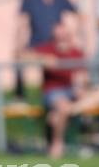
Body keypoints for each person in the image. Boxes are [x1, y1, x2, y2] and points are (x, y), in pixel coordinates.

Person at [22, 22, 87, 158]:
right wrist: (41, 59)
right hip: (53, 92)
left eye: (65, 36)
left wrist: (80, 87)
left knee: (98, 95)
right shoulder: (48, 50)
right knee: (63, 107)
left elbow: (82, 76)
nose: (62, 40)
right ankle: (57, 143)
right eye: (59, 37)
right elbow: (21, 55)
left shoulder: (76, 52)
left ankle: (55, 118)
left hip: (72, 91)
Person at [15, 0, 79, 99]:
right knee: (20, 57)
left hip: (55, 44)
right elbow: (22, 23)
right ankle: (20, 96)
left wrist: (70, 36)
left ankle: (62, 93)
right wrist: (20, 45)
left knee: (59, 68)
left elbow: (78, 14)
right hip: (37, 43)